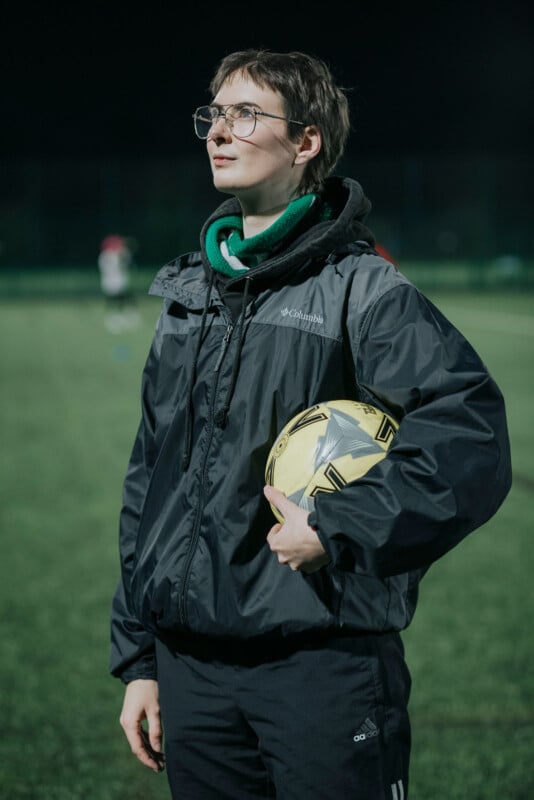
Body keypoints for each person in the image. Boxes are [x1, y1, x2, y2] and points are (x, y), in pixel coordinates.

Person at [109, 49, 512, 799]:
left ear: (307, 141)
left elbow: (470, 436)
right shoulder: (188, 296)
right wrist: (141, 659)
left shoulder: (364, 292)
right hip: (191, 673)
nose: (219, 132)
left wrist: (341, 524)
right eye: (214, 114)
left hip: (322, 668)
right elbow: (149, 487)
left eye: (246, 114)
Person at [98, 234, 140, 332]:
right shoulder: (107, 257)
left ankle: (126, 317)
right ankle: (114, 319)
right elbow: (117, 266)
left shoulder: (117, 255)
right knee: (114, 302)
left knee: (125, 300)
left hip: (120, 282)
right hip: (111, 283)